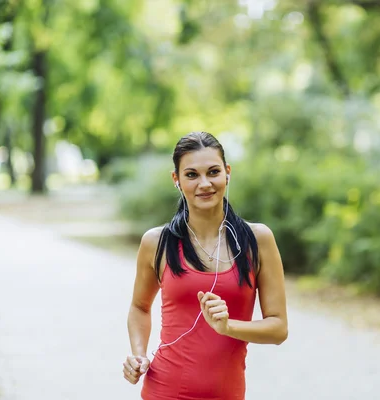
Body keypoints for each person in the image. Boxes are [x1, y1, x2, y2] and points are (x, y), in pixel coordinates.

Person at [123, 131, 288, 400]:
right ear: (176, 179)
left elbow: (278, 328)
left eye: (213, 172)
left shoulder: (258, 241)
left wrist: (228, 327)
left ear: (227, 173)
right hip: (164, 391)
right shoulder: (157, 243)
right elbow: (140, 307)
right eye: (191, 175)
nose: (204, 184)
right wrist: (139, 355)